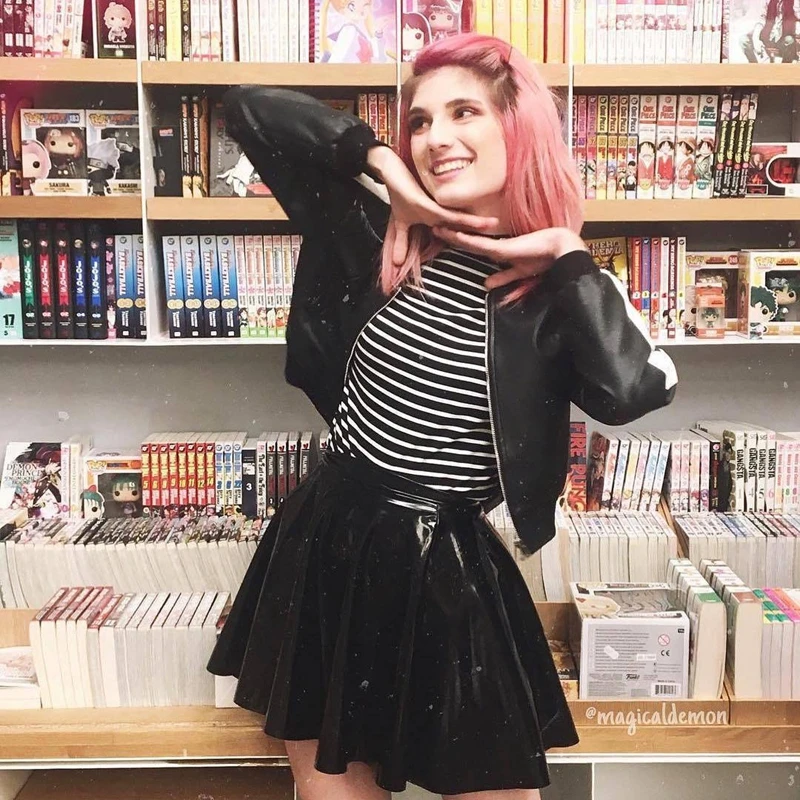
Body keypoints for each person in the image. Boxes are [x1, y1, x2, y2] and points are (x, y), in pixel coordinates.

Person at [207, 33, 677, 800]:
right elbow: (248, 109)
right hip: (328, 543)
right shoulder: (373, 231)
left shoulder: (566, 291)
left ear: (518, 129)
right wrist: (386, 170)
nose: (435, 138)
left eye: (464, 112)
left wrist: (565, 253)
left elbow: (632, 391)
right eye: (420, 121)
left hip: (444, 562)